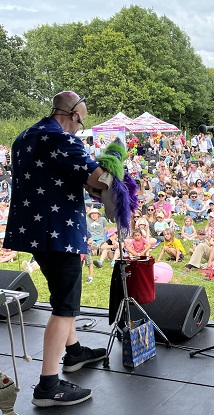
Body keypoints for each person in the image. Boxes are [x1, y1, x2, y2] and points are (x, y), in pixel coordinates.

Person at [4, 91, 107, 407]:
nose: (80, 128)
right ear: (74, 115)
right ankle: (48, 386)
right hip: (59, 233)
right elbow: (99, 179)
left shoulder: (24, 137)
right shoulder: (64, 139)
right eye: (81, 122)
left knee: (62, 294)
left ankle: (74, 353)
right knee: (65, 307)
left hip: (32, 231)